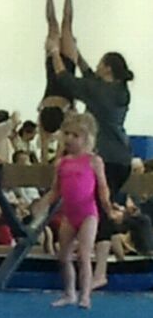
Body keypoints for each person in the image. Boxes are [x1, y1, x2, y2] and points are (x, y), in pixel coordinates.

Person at [48, 41, 133, 290]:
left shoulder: (99, 91)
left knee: (100, 212)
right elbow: (90, 76)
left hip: (106, 158)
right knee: (104, 208)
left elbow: (65, 79)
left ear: (107, 68)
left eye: (99, 64)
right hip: (123, 157)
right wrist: (78, 54)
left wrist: (54, 53)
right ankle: (111, 260)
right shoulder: (120, 91)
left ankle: (100, 272)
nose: (95, 67)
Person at [39, 112, 115, 309]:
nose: (69, 139)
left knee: (84, 255)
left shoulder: (94, 161)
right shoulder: (61, 163)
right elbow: (55, 190)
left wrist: (108, 207)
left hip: (88, 214)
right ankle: (69, 293)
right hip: (69, 215)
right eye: (66, 134)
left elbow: (102, 188)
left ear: (87, 138)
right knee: (63, 256)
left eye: (75, 135)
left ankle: (85, 296)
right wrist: (43, 203)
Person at [39, 0, 78, 163]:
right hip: (62, 73)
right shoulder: (46, 112)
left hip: (61, 74)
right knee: (63, 25)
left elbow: (45, 146)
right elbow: (48, 146)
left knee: (59, 24)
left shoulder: (60, 116)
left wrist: (47, 161)